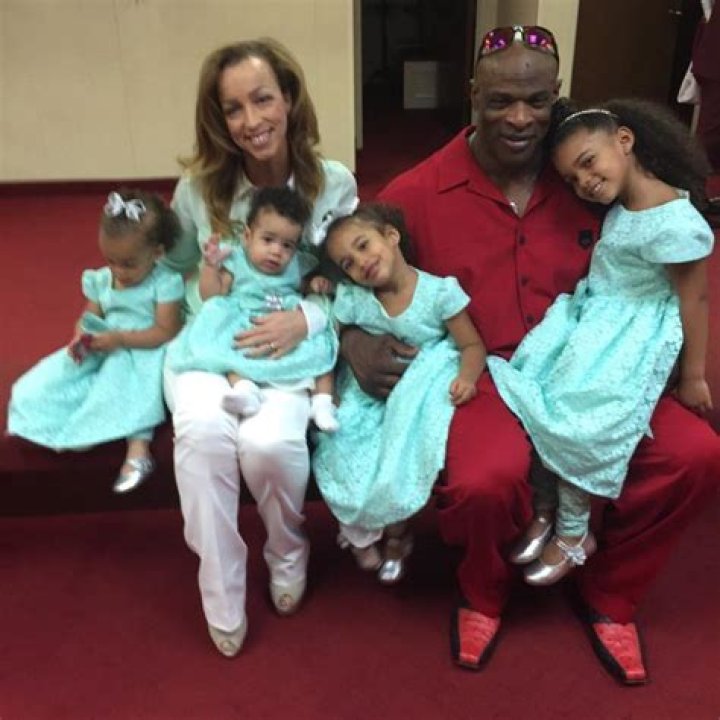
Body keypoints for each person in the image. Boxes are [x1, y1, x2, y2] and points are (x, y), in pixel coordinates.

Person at [341, 25, 720, 684]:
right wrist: (352, 341)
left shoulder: (586, 176)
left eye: (537, 101)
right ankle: (483, 592)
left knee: (694, 454)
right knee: (487, 477)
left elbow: (672, 262)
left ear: (557, 97)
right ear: (472, 95)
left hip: (586, 368)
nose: (520, 118)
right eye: (500, 101)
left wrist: (679, 366)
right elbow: (341, 278)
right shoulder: (413, 193)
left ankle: (610, 593)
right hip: (481, 373)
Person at [161, 37, 357, 658]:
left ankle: (287, 550)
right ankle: (221, 591)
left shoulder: (333, 183)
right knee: (203, 437)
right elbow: (177, 269)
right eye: (233, 109)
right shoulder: (198, 190)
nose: (251, 121)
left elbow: (352, 274)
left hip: (289, 345)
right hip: (214, 341)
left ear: (290, 98)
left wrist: (307, 316)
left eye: (263, 99)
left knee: (270, 445)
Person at [487, 98, 714, 587]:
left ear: (624, 140)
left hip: (632, 333)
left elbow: (695, 299)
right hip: (593, 315)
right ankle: (545, 504)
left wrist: (694, 374)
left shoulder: (676, 222)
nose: (585, 182)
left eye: (589, 163)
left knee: (583, 419)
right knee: (537, 383)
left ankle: (575, 530)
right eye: (572, 178)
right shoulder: (622, 205)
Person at [313, 203, 486, 583]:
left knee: (399, 448)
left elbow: (472, 346)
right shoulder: (356, 299)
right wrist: (328, 390)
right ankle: (363, 528)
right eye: (348, 264)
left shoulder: (439, 293)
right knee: (341, 440)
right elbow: (331, 341)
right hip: (368, 394)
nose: (361, 263)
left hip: (418, 388)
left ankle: (397, 534)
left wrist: (467, 377)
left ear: (391, 236)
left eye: (363, 246)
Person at [7, 190, 184, 493]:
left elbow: (165, 331)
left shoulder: (165, 283)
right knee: (41, 383)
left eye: (128, 264)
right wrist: (81, 337)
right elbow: (88, 316)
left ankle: (138, 450)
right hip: (104, 345)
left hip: (143, 349)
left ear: (157, 252)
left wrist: (120, 339)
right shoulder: (102, 280)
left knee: (127, 384)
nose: (118, 271)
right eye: (111, 261)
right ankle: (52, 421)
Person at [167, 186, 339, 431]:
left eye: (287, 245)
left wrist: (315, 284)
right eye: (268, 240)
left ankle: (322, 403)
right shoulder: (237, 259)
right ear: (247, 236)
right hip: (245, 317)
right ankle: (245, 388)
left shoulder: (296, 265)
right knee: (232, 350)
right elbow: (212, 295)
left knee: (322, 350)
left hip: (284, 320)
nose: (276, 251)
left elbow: (304, 286)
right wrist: (210, 267)